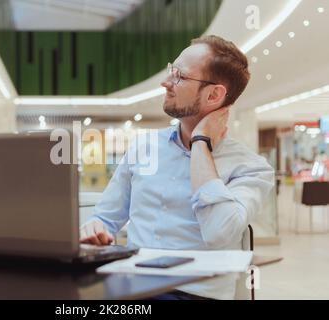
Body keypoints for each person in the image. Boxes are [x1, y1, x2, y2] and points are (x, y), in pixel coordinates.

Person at [80, 35, 275, 300]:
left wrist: (200, 143)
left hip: (196, 293)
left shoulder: (252, 169)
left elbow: (218, 232)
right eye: (172, 70)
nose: (166, 82)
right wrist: (94, 228)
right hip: (131, 285)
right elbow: (105, 217)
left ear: (214, 94)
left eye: (180, 76)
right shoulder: (144, 147)